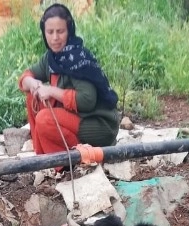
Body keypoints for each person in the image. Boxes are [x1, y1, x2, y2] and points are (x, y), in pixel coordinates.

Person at [18, 3, 120, 158]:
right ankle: (43, 156)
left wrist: (51, 90)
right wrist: (34, 84)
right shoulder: (52, 57)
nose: (55, 38)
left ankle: (73, 157)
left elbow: (87, 100)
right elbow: (25, 78)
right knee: (33, 96)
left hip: (97, 124)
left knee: (45, 119)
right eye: (50, 32)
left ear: (70, 31)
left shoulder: (78, 59)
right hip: (77, 118)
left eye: (60, 31)